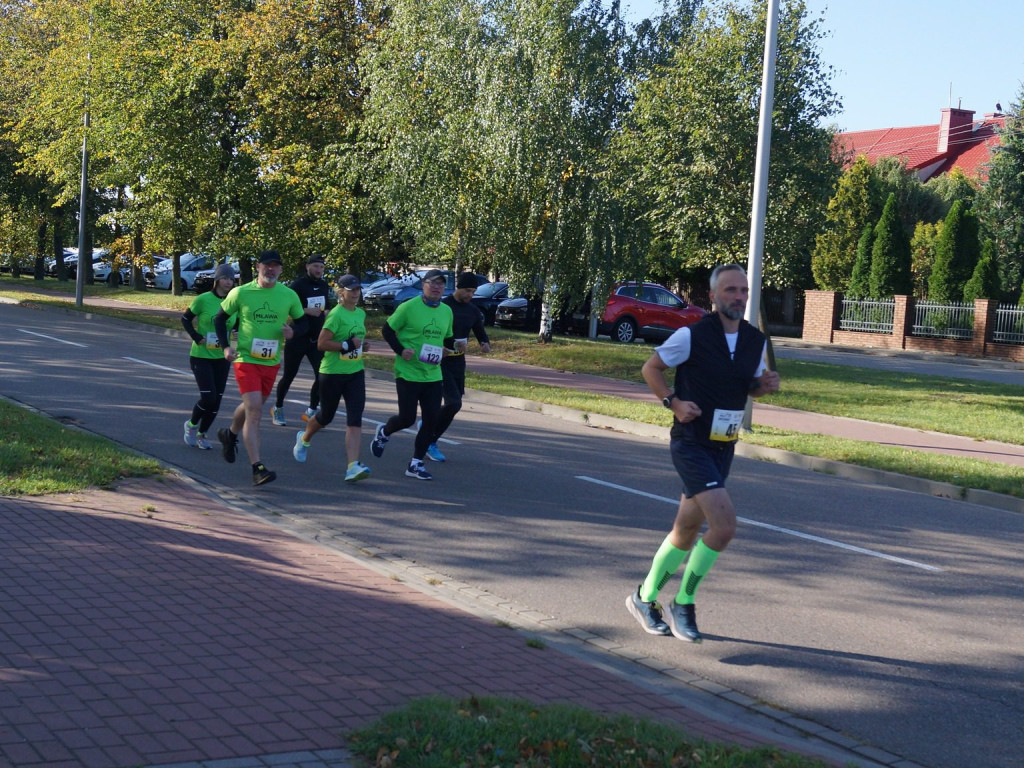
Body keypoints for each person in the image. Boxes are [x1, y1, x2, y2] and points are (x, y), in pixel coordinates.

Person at [627, 263, 780, 643]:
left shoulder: (755, 341)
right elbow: (651, 368)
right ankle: (683, 602)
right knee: (724, 527)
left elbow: (749, 387)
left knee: (685, 530)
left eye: (743, 291)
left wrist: (762, 387)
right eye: (730, 290)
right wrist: (674, 402)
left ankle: (644, 597)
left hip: (724, 445)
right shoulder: (691, 335)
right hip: (691, 443)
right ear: (713, 296)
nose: (738, 297)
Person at [214, 249, 304, 486]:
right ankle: (257, 468)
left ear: (281, 269)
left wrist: (293, 332)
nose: (271, 269)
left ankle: (229, 434)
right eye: (267, 265)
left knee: (253, 406)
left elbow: (304, 323)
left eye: (275, 265)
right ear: (258, 267)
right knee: (254, 410)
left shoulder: (288, 295)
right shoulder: (241, 292)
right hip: (246, 359)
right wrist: (225, 347)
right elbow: (219, 319)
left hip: (271, 362)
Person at [370, 268, 454, 480]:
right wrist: (400, 350)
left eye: (441, 284)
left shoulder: (446, 311)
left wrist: (448, 349)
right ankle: (384, 432)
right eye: (432, 283)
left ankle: (416, 463)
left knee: (431, 420)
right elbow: (387, 330)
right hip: (408, 372)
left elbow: (447, 339)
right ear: (423, 285)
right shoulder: (408, 307)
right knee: (407, 419)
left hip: (433, 374)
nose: (436, 287)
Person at [291, 274, 373, 483]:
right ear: (341, 292)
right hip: (332, 373)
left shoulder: (360, 313)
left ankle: (352, 467)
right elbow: (322, 344)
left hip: (355, 372)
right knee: (326, 417)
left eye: (358, 289)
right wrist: (347, 345)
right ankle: (304, 438)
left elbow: (356, 341)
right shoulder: (335, 315)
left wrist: (362, 346)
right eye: (351, 290)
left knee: (355, 419)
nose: (355, 293)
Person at [424, 272, 491, 462]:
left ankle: (429, 428)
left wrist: (484, 343)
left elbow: (479, 330)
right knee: (453, 403)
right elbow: (432, 330)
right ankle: (430, 440)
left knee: (453, 404)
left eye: (473, 291)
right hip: (440, 361)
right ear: (458, 288)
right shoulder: (444, 306)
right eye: (467, 290)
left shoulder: (472, 310)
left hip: (458, 362)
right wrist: (445, 345)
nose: (470, 295)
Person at [270, 253, 335, 426]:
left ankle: (311, 410)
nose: (319, 270)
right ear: (308, 267)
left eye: (322, 267)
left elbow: (326, 306)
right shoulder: (298, 285)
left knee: (322, 376)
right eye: (316, 266)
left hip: (316, 339)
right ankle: (278, 407)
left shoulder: (323, 285)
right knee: (289, 376)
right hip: (298, 337)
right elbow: (287, 308)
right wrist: (306, 310)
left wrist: (328, 314)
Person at [181, 263, 236, 450]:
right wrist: (196, 336)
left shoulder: (234, 302)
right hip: (201, 356)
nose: (228, 282)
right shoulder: (203, 299)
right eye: (225, 278)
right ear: (217, 280)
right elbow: (185, 319)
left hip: (222, 357)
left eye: (231, 279)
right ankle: (191, 425)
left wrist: (236, 331)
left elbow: (236, 323)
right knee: (208, 398)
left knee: (217, 400)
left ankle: (202, 434)